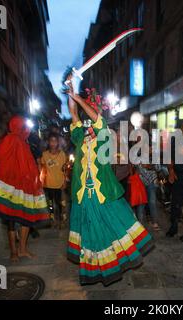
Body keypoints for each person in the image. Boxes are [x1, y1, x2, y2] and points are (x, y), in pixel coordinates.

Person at [65, 81, 153, 286]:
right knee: (90, 233)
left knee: (111, 227)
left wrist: (79, 98)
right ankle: (95, 269)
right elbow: (74, 115)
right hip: (83, 196)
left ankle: (110, 265)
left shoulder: (104, 136)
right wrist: (71, 93)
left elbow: (97, 118)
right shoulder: (80, 138)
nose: (89, 126)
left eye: (91, 122)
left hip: (101, 193)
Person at [0, 116, 49, 262]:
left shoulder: (9, 141)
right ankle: (18, 251)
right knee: (21, 218)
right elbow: (25, 167)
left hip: (10, 187)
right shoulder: (17, 141)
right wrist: (33, 182)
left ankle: (17, 252)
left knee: (16, 219)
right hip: (18, 187)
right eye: (24, 127)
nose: (27, 130)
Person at [39, 133, 68, 229]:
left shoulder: (62, 154)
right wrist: (41, 181)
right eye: (51, 141)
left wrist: (64, 181)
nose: (53, 143)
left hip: (59, 184)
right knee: (50, 204)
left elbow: (65, 169)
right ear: (48, 142)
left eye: (55, 141)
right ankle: (52, 220)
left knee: (60, 204)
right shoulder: (45, 154)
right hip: (48, 184)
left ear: (58, 143)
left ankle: (61, 221)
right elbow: (42, 168)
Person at [137, 163, 161, 231]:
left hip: (152, 181)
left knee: (152, 202)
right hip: (140, 182)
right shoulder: (137, 154)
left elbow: (158, 168)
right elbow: (137, 168)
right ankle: (140, 224)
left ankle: (155, 222)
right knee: (141, 203)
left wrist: (149, 165)